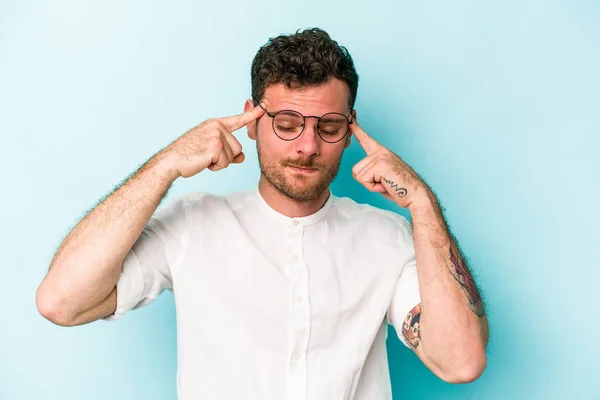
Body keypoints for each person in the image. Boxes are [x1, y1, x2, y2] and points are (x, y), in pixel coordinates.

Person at [36, 27, 489, 399]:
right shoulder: (192, 225)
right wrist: (167, 164)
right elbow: (61, 302)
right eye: (287, 124)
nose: (307, 147)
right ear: (252, 120)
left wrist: (423, 205)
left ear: (350, 129)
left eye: (328, 127)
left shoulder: (386, 238)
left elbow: (461, 361)